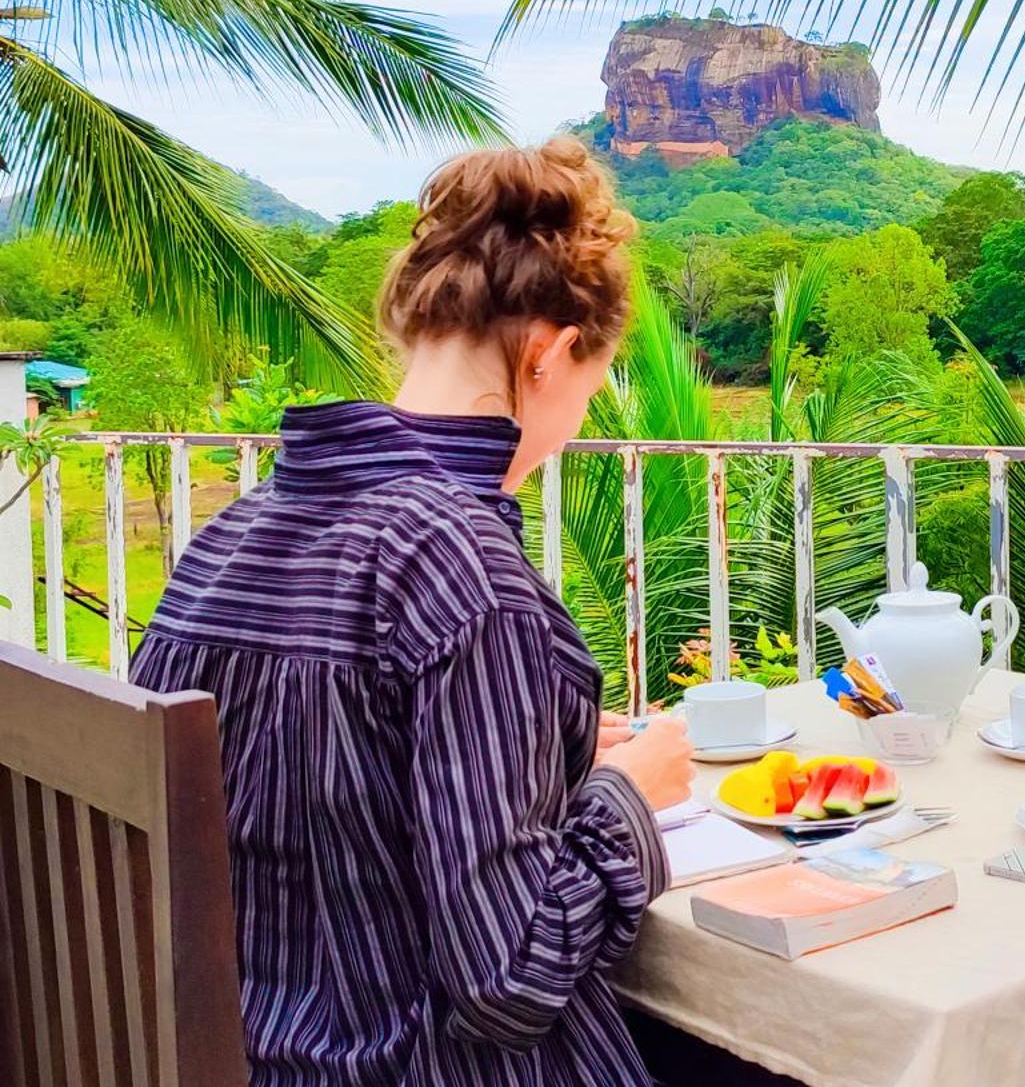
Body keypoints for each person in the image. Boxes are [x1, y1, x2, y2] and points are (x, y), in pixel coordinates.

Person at [132, 138, 694, 1086]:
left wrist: (538, 756)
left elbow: (324, 797)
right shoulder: (463, 565)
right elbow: (510, 975)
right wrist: (628, 790)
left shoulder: (226, 541)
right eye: (590, 395)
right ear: (552, 355)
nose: (574, 431)